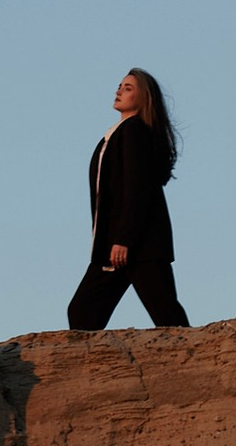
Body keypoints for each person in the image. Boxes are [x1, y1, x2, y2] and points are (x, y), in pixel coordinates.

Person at [67, 69, 189, 331]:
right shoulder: (115, 135)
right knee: (83, 309)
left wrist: (124, 238)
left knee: (166, 313)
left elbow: (137, 189)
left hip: (139, 246)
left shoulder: (134, 131)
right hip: (114, 247)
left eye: (129, 87)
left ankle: (200, 363)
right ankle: (92, 369)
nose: (119, 90)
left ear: (145, 97)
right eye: (120, 85)